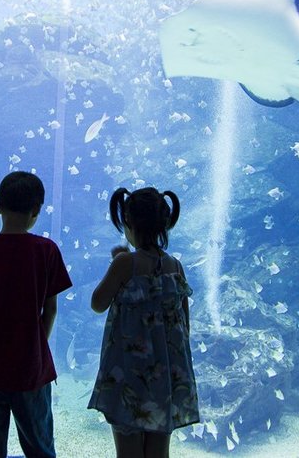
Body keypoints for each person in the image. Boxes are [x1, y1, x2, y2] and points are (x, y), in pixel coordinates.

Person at [0, 171, 73, 458]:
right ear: (36, 211)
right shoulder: (46, 251)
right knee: (40, 446)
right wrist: (36, 346)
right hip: (31, 368)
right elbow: (51, 309)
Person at [88, 187, 200, 458]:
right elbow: (184, 324)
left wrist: (116, 263)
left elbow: (97, 303)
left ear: (128, 222)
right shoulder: (175, 267)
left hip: (128, 375)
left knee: (128, 450)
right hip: (165, 378)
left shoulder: (126, 264)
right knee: (159, 451)